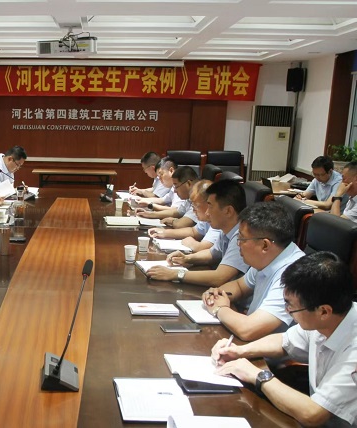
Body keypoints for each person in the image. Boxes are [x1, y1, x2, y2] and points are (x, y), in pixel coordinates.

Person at [212, 251, 357, 427]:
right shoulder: (327, 319)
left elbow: (313, 414)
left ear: (324, 311)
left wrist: (257, 375)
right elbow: (284, 341)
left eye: (291, 306)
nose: (287, 311)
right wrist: (239, 350)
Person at [201, 202, 305, 341]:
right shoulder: (271, 255)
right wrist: (216, 294)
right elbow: (239, 286)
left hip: (268, 350)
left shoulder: (295, 275)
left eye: (242, 239)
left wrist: (219, 308)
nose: (238, 244)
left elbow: (248, 330)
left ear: (264, 245)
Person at [147, 179, 249, 287]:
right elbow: (212, 254)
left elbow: (219, 277)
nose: (207, 213)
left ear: (228, 211)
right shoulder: (227, 230)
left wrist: (174, 274)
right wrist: (187, 258)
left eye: (210, 206)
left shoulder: (242, 236)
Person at [149, 180, 221, 252]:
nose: (194, 210)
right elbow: (193, 231)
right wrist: (165, 233)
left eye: (197, 206)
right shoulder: (206, 219)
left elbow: (202, 248)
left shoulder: (218, 220)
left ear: (209, 204)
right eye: (193, 206)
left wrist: (191, 243)